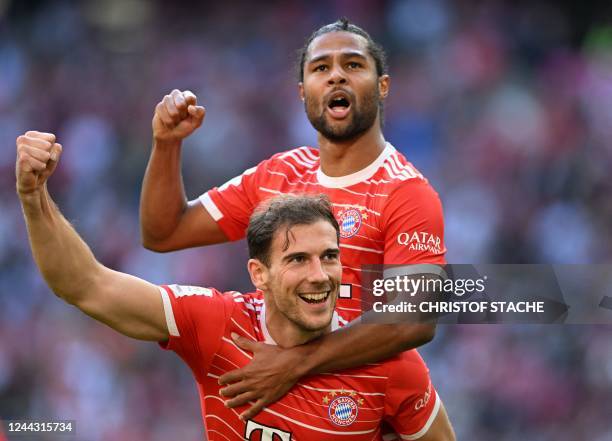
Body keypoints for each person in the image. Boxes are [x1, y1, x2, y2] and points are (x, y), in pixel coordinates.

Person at [15, 131, 455, 440]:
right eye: (298, 260)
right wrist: (34, 198)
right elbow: (86, 285)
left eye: (330, 257)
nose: (320, 275)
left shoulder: (390, 366)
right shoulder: (218, 325)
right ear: (258, 274)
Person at [140, 18, 447, 420]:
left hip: (362, 413)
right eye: (321, 68)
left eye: (353, 65)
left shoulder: (405, 191)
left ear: (382, 86)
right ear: (304, 94)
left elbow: (415, 319)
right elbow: (164, 232)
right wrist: (166, 144)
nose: (336, 75)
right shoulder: (279, 174)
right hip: (276, 400)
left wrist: (296, 363)